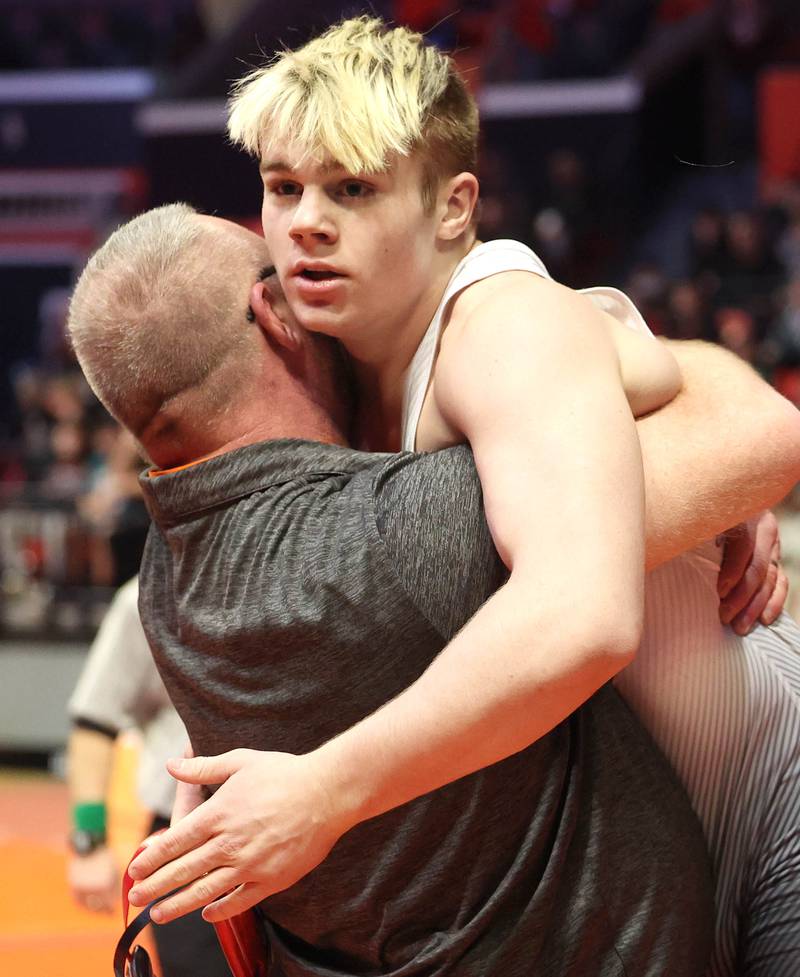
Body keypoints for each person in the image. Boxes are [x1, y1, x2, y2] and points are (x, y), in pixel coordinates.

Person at [66, 205, 800, 976]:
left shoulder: (166, 588)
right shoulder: (393, 531)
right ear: (274, 311)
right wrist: (610, 345)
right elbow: (757, 430)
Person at [219, 18, 800, 974]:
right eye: (285, 187)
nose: (306, 221)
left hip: (772, 804)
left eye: (353, 188)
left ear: (453, 210)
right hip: (656, 852)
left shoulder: (497, 322)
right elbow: (642, 353)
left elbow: (580, 616)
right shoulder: (337, 357)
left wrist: (321, 790)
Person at [66, 575, 231, 977]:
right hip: (184, 840)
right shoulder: (152, 592)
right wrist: (89, 842)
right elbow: (95, 721)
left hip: (303, 828)